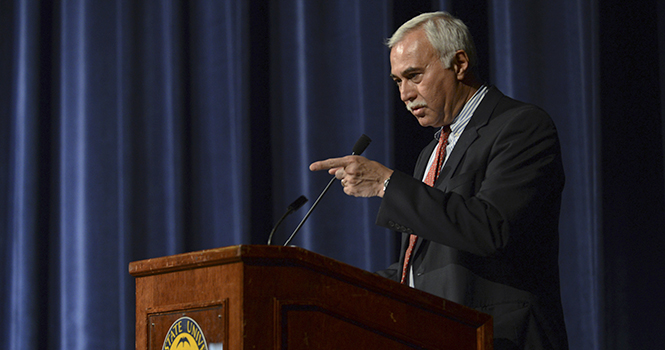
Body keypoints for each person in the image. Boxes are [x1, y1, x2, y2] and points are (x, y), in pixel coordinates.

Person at [309, 11, 568, 350]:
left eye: (414, 76)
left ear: (459, 63)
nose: (404, 94)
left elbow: (491, 226)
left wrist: (387, 183)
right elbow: (423, 267)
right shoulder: (430, 153)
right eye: (398, 81)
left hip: (501, 337)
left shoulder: (521, 127)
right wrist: (330, 288)